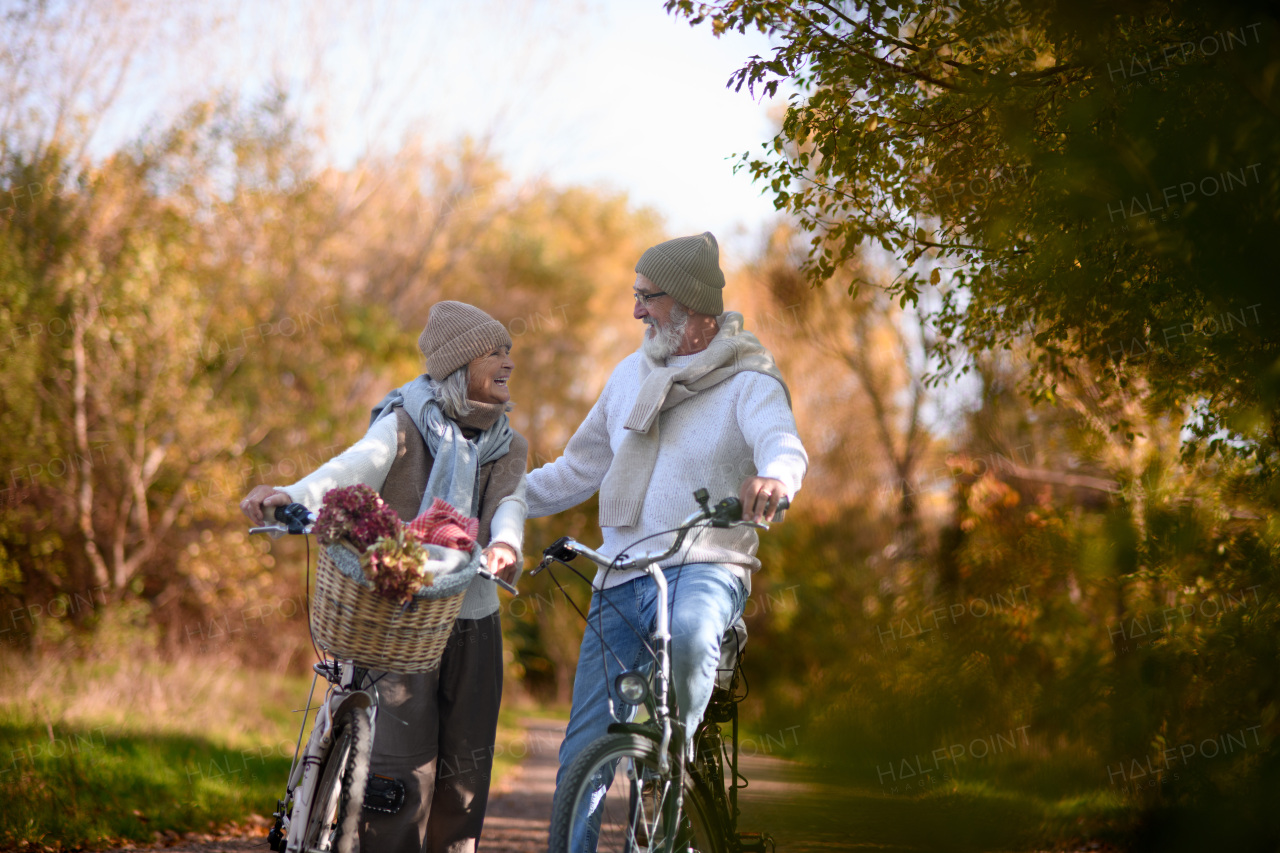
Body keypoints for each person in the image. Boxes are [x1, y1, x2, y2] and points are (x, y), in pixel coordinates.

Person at [525, 231, 808, 850]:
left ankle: (667, 790)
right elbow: (578, 468)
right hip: (621, 571)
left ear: (688, 302)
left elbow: (783, 444)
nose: (636, 312)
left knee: (689, 646)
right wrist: (506, 500)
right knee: (583, 747)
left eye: (645, 297)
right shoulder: (631, 374)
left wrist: (776, 479)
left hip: (705, 563)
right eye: (635, 296)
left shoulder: (749, 378)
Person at [240, 301, 528, 853]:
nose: (508, 362)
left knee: (465, 777)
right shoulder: (402, 424)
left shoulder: (509, 444)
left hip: (472, 617)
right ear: (459, 361)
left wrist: (507, 543)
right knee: (399, 774)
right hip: (396, 610)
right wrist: (291, 497)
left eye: (509, 350)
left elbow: (508, 505)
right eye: (495, 351)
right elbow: (350, 469)